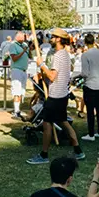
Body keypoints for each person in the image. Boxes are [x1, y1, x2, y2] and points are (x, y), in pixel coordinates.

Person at [27, 28, 84, 165]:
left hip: (56, 95)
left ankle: (44, 155)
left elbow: (52, 76)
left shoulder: (58, 55)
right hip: (62, 94)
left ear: (58, 39)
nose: (50, 38)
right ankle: (78, 151)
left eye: (53, 37)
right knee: (63, 122)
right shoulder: (65, 54)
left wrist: (42, 65)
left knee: (47, 123)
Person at [80, 34, 99, 141]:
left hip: (90, 84)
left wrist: (77, 76)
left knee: (90, 110)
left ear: (85, 43)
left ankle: (91, 134)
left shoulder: (85, 55)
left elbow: (85, 73)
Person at [9, 32, 29, 120]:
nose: (24, 38)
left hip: (24, 70)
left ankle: (18, 109)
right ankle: (16, 110)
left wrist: (28, 50)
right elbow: (14, 58)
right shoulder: (13, 45)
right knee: (16, 90)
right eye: (22, 36)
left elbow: (28, 55)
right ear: (17, 37)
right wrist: (23, 51)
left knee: (22, 90)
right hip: (16, 70)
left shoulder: (25, 44)